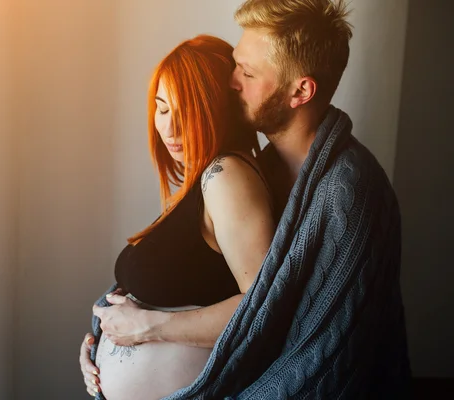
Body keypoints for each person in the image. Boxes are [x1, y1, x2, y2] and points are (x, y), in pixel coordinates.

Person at [81, 0, 411, 399]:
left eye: (248, 73)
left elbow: (314, 349)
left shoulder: (351, 193)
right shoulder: (259, 167)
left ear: (300, 91)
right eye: (237, 64)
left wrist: (148, 329)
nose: (231, 81)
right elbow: (189, 280)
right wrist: (107, 330)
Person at [78, 34, 276, 400]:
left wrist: (148, 329)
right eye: (162, 108)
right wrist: (101, 344)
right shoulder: (199, 182)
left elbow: (262, 306)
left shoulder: (226, 176)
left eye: (186, 112)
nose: (169, 128)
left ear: (220, 109)